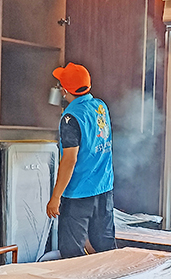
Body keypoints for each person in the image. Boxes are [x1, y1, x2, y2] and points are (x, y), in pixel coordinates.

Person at [45, 62, 117, 258]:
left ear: (65, 90)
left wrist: (56, 197)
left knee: (71, 252)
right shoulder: (100, 106)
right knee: (105, 247)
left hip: (78, 193)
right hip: (103, 188)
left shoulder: (70, 118)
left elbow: (69, 160)